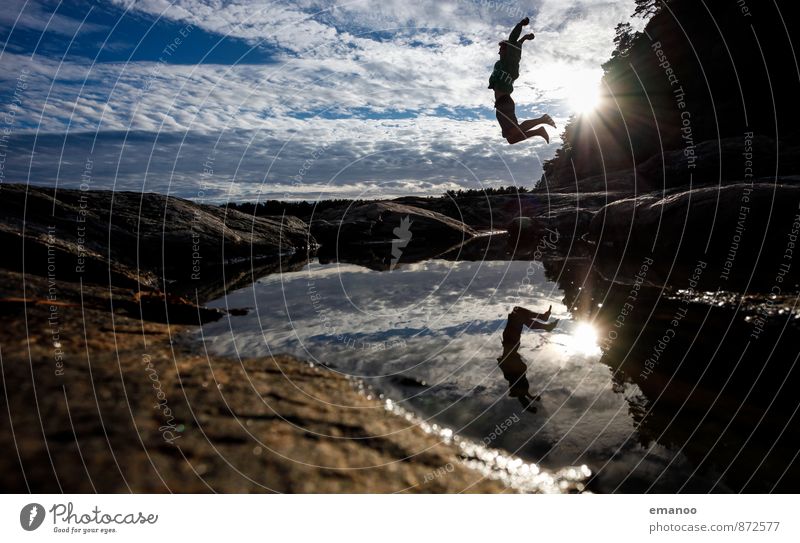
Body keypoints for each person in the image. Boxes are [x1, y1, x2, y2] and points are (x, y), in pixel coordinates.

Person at [489, 17, 556, 144]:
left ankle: (542, 119)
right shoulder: (499, 64)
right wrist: (524, 39)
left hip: (505, 102)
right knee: (511, 139)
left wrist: (521, 25)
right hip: (499, 105)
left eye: (501, 49)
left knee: (514, 132)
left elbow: (513, 41)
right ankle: (539, 131)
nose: (499, 52)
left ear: (508, 50)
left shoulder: (510, 63)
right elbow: (516, 44)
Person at [497, 305, 558, 412]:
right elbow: (523, 397)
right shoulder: (517, 381)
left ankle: (545, 321)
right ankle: (545, 323)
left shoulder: (513, 379)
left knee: (517, 313)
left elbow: (524, 396)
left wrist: (531, 399)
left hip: (510, 342)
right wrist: (529, 405)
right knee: (517, 314)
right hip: (510, 342)